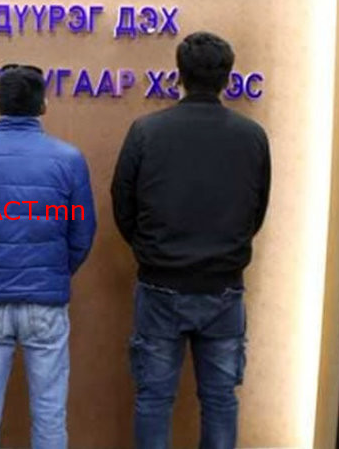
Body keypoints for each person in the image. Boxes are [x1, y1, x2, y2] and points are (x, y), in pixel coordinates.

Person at [112, 32, 271, 449]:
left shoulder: (146, 131)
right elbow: (257, 212)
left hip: (160, 284)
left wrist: (149, 251)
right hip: (224, 288)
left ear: (178, 74)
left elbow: (122, 204)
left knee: (154, 400)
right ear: (227, 78)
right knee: (220, 401)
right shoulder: (252, 136)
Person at [0, 64, 97, 449]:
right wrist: (56, 271)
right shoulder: (69, 159)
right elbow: (82, 233)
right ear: (43, 104)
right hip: (46, 302)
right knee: (49, 409)